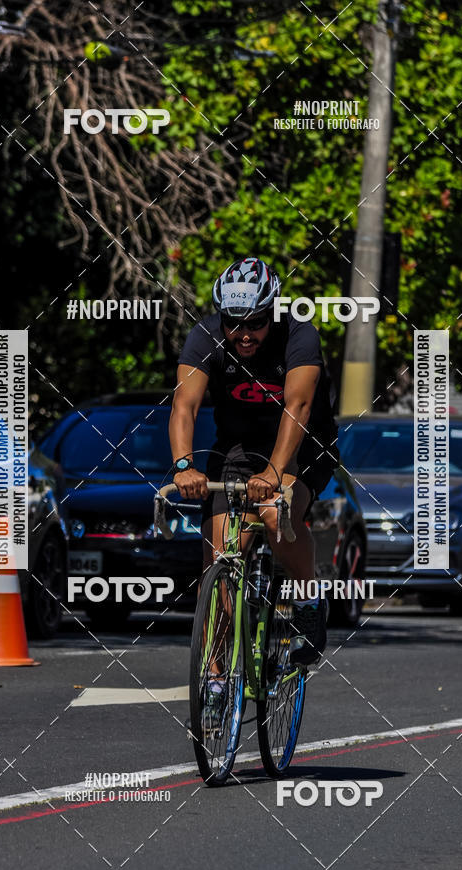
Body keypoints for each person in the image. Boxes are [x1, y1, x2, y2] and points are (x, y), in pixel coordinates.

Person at [169, 257, 338, 717]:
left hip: (303, 445)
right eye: (234, 323)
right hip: (238, 449)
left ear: (273, 313)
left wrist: (275, 473)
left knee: (274, 512)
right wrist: (183, 465)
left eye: (256, 323)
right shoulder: (205, 336)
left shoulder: (299, 335)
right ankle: (216, 676)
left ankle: (308, 600)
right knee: (221, 556)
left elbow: (298, 408)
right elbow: (185, 405)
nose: (244, 334)